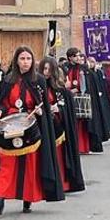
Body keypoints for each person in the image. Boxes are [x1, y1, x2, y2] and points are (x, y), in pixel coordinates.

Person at [0, 46, 65, 215]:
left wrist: (41, 112)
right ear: (16, 60)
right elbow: (2, 103)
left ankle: (27, 199)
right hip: (10, 125)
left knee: (30, 165)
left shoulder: (40, 81)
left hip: (31, 127)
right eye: (22, 59)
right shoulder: (7, 80)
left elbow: (42, 102)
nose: (25, 62)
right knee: (6, 164)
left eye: (28, 59)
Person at [39, 57, 84, 193]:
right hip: (42, 128)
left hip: (58, 128)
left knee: (60, 158)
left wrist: (59, 109)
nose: (46, 72)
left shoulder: (60, 89)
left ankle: (63, 184)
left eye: (48, 69)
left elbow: (66, 106)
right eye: (44, 69)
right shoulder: (37, 87)